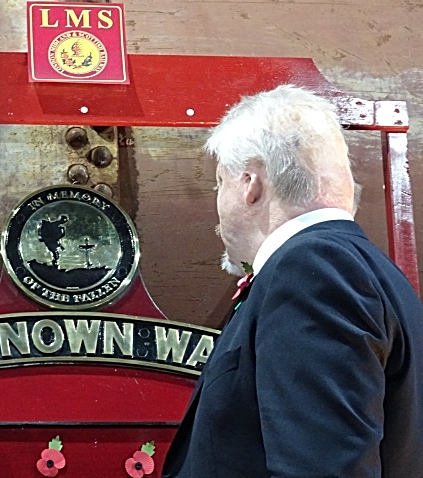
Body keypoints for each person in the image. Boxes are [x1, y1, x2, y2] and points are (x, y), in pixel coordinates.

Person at [162, 85, 423, 477]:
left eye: (220, 182)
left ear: (251, 183)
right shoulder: (379, 274)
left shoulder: (311, 270)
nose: (217, 203)